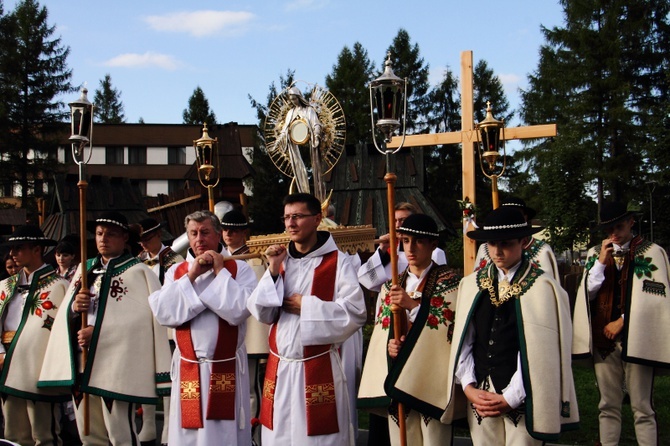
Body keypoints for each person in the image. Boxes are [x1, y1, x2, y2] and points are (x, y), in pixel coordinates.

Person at [446, 206, 578, 445]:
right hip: (480, 393)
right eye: (491, 244)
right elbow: (465, 339)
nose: (497, 251)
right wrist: (468, 385)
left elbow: (542, 350)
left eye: (505, 243)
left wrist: (512, 395)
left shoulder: (544, 288)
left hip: (524, 395)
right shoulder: (472, 284)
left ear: (524, 241)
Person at [38, 211, 172, 445]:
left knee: (120, 433)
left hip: (115, 366)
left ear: (124, 238)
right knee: (89, 433)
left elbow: (141, 323)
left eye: (110, 234)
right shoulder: (84, 269)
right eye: (99, 234)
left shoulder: (138, 273)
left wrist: (98, 333)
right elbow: (64, 317)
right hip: (82, 364)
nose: (103, 239)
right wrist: (73, 309)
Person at [247, 192, 366, 446]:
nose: (290, 223)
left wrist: (308, 307)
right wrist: (272, 271)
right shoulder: (280, 261)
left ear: (317, 219)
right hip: (279, 370)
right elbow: (261, 312)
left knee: (317, 440)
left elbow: (355, 313)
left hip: (317, 367)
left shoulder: (338, 263)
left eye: (298, 216)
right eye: (287, 217)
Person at [149, 210, 257, 446]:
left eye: (205, 232)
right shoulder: (175, 272)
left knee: (222, 435)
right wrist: (192, 275)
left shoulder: (240, 269)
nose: (199, 239)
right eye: (193, 233)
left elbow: (239, 311)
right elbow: (164, 313)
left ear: (218, 235)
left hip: (224, 365)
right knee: (190, 435)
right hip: (189, 366)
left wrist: (219, 273)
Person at [358, 214, 461, 445]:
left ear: (433, 245)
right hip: (399, 379)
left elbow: (449, 330)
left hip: (431, 381)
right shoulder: (390, 286)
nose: (411, 248)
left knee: (434, 439)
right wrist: (390, 347)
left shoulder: (450, 283)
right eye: (405, 241)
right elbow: (382, 333)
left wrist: (413, 306)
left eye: (418, 241)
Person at [573, 201, 670, 446]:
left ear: (631, 222)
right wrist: (601, 263)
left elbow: (655, 298)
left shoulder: (651, 252)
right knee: (607, 405)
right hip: (604, 342)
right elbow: (587, 294)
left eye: (618, 226)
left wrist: (623, 320)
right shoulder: (596, 254)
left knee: (642, 407)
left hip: (638, 339)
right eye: (608, 230)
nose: (614, 233)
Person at [0, 226, 70, 446]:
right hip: (7, 364)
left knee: (44, 433)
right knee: (13, 433)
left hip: (38, 367)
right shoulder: (5, 285)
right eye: (12, 248)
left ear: (37, 249)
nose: (13, 253)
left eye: (19, 248)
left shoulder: (60, 286)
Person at [220, 208, 268, 445]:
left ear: (244, 232)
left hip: (248, 329)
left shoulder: (256, 259)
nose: (229, 234)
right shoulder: (217, 257)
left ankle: (253, 433)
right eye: (225, 229)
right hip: (222, 331)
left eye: (234, 230)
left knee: (249, 386)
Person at [136, 217, 184, 446]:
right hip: (143, 326)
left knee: (168, 377)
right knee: (144, 375)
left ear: (158, 236)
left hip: (165, 326)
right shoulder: (137, 262)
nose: (143, 245)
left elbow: (175, 294)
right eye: (140, 241)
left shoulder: (174, 260)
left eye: (147, 239)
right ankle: (146, 426)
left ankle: (167, 427)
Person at [358, 202, 447, 293]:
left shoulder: (434, 252)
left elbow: (439, 284)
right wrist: (382, 251)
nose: (397, 225)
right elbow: (366, 279)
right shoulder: (387, 251)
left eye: (402, 220)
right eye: (394, 220)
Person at [473, 197, 559, 280]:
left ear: (525, 217)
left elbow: (546, 287)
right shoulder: (484, 248)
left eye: (516, 213)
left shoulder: (543, 250)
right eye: (505, 212)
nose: (497, 251)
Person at [277, 86, 325, 201]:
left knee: (316, 171)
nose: (293, 101)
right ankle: (304, 194)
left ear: (299, 97)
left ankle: (318, 197)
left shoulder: (309, 111)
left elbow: (316, 124)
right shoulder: (290, 113)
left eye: (295, 98)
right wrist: (279, 140)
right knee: (299, 168)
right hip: (295, 148)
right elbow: (285, 130)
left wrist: (317, 135)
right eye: (291, 99)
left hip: (312, 143)